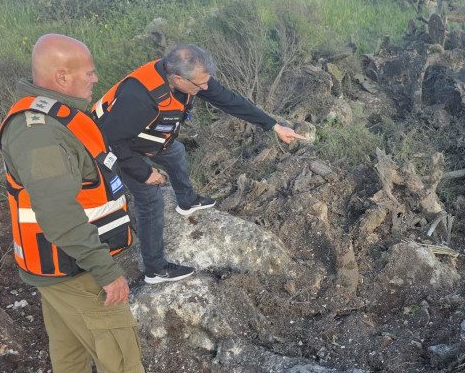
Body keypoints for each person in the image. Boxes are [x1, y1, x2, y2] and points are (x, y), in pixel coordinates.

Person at [94, 44, 306, 284]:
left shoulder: (191, 78)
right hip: (113, 144)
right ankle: (155, 268)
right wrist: (143, 172)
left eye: (207, 82)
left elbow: (229, 100)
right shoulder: (139, 98)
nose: (205, 88)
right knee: (151, 197)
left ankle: (187, 200)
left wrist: (274, 126)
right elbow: (110, 139)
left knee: (175, 150)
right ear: (177, 78)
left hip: (146, 136)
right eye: (200, 85)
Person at [0, 34, 143, 373]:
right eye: (89, 73)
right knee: (122, 361)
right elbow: (58, 213)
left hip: (63, 266)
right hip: (76, 269)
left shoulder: (58, 115)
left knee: (71, 357)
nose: (95, 79)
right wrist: (106, 271)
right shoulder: (41, 133)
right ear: (61, 77)